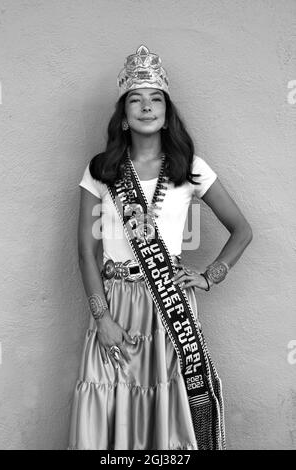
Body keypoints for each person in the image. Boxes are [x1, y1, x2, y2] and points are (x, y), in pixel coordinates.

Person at [68, 45, 253, 451]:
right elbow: (86, 251)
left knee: (166, 414)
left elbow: (241, 230)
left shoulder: (190, 168)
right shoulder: (101, 170)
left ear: (168, 114)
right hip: (113, 303)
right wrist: (101, 316)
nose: (146, 107)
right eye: (135, 99)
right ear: (123, 115)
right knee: (106, 409)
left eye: (156, 99)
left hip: (167, 306)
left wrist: (209, 277)